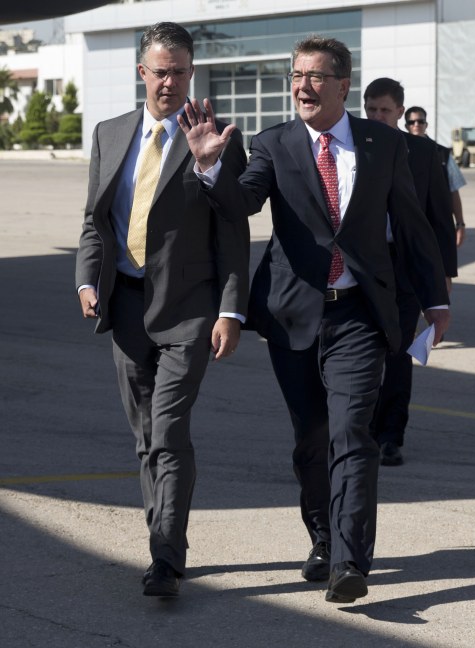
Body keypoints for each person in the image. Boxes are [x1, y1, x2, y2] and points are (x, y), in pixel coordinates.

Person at [178, 36, 450, 604]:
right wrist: (209, 169)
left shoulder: (383, 143)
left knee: (354, 432)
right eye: (297, 76)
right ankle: (323, 538)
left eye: (316, 77)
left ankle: (351, 561)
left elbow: (412, 222)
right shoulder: (274, 142)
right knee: (312, 438)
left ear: (343, 85)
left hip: (359, 312)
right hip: (292, 311)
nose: (303, 86)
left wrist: (435, 297)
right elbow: (243, 202)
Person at [75, 22, 250, 598]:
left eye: (179, 70)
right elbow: (95, 221)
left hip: (189, 311)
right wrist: (86, 279)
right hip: (125, 308)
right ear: (141, 73)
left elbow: (233, 226)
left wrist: (230, 310)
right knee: (146, 437)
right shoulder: (110, 133)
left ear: (191, 73)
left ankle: (166, 558)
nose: (169, 81)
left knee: (170, 430)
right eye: (160, 70)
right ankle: (163, 542)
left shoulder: (218, 135)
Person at [363, 78, 456, 467]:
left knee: (397, 354)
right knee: (362, 355)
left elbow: (439, 219)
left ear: (401, 112)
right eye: (371, 110)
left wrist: (441, 285)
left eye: (385, 110)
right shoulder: (355, 145)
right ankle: (362, 430)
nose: (377, 117)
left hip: (405, 269)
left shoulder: (424, 153)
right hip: (364, 268)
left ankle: (390, 436)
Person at [404, 105, 468, 247]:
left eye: (420, 122)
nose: (416, 125)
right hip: (409, 226)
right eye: (412, 122)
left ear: (426, 125)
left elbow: (454, 190)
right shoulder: (399, 152)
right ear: (406, 126)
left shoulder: (442, 154)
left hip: (437, 224)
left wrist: (460, 223)